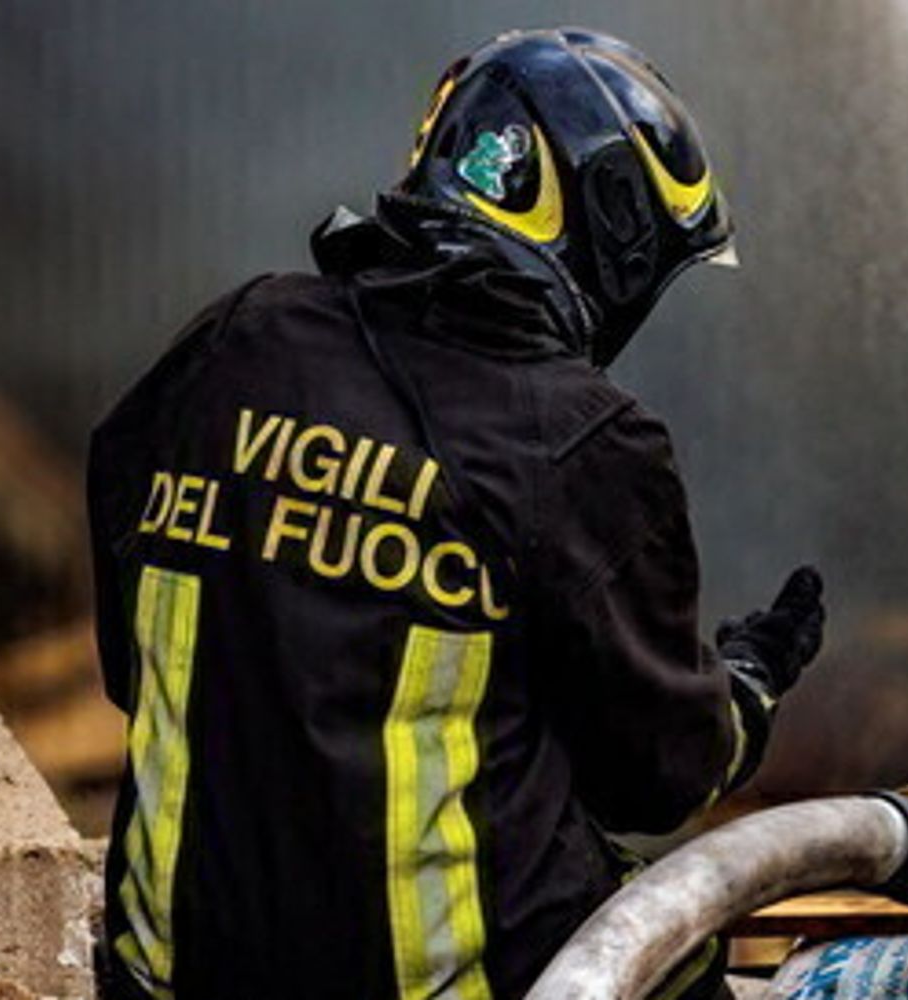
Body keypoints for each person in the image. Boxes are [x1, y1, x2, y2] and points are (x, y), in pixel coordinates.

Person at [89, 27, 824, 1000]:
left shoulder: (233, 342)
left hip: (171, 983)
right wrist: (746, 686)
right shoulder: (581, 442)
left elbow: (127, 652)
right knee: (673, 953)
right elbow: (657, 779)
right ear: (608, 230)